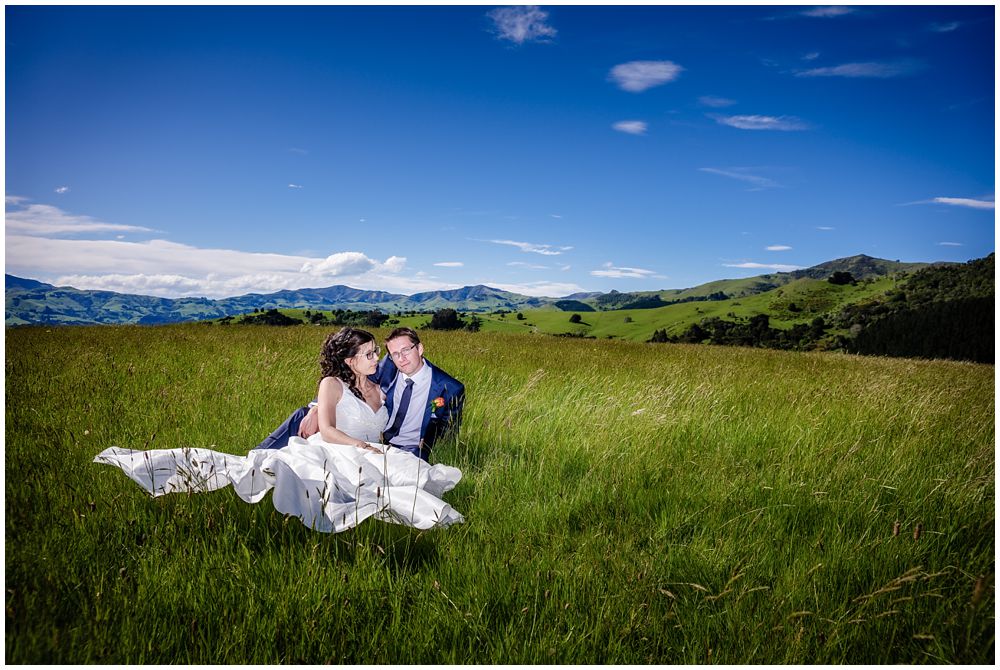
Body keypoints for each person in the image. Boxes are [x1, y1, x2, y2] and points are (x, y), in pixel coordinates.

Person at [94, 327, 463, 534]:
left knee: (408, 477)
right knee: (316, 480)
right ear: (352, 360)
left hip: (377, 448)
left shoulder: (388, 383)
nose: (386, 360)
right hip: (339, 446)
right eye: (375, 354)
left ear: (419, 349)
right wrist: (321, 409)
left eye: (395, 353)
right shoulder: (348, 379)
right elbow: (336, 405)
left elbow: (380, 411)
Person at [261, 327, 465, 462]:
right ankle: (259, 454)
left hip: (409, 449)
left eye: (406, 351)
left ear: (420, 349)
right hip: (372, 442)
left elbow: (449, 432)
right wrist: (316, 408)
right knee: (301, 414)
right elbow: (348, 379)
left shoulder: (450, 388)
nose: (401, 359)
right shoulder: (386, 367)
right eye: (394, 354)